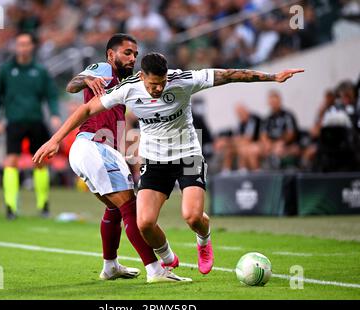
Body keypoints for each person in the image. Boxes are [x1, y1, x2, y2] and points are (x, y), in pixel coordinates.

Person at [33, 52, 303, 280]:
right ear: (142, 78)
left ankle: (204, 241)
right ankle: (167, 259)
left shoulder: (184, 80)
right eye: (152, 85)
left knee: (192, 217)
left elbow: (230, 74)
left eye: (161, 83)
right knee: (145, 223)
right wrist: (55, 140)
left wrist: (272, 77)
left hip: (187, 155)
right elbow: (86, 110)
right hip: (154, 160)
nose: (157, 90)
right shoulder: (129, 88)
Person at [64, 34, 186, 283]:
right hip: (93, 146)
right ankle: (155, 270)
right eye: (127, 53)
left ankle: (110, 266)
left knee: (115, 208)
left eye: (135, 54)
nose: (132, 58)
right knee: (130, 206)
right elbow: (72, 85)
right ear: (111, 54)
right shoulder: (104, 68)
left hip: (97, 149)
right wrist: (87, 78)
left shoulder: (127, 83)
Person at [0, 32, 61, 220]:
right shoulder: (6, 70)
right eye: (19, 44)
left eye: (26, 44)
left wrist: (54, 114)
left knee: (40, 162)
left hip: (35, 120)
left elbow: (51, 94)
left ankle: (43, 204)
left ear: (32, 47)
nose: (23, 47)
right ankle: (10, 207)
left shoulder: (40, 70)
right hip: (14, 121)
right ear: (16, 46)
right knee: (11, 161)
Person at [248, 90, 300, 170]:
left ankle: (278, 175)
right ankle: (257, 175)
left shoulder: (288, 115)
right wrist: (267, 143)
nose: (273, 104)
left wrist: (280, 142)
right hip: (271, 145)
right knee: (253, 149)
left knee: (279, 150)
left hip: (285, 145)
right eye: (271, 102)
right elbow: (263, 134)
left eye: (275, 102)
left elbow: (291, 134)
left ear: (279, 101)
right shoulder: (268, 118)